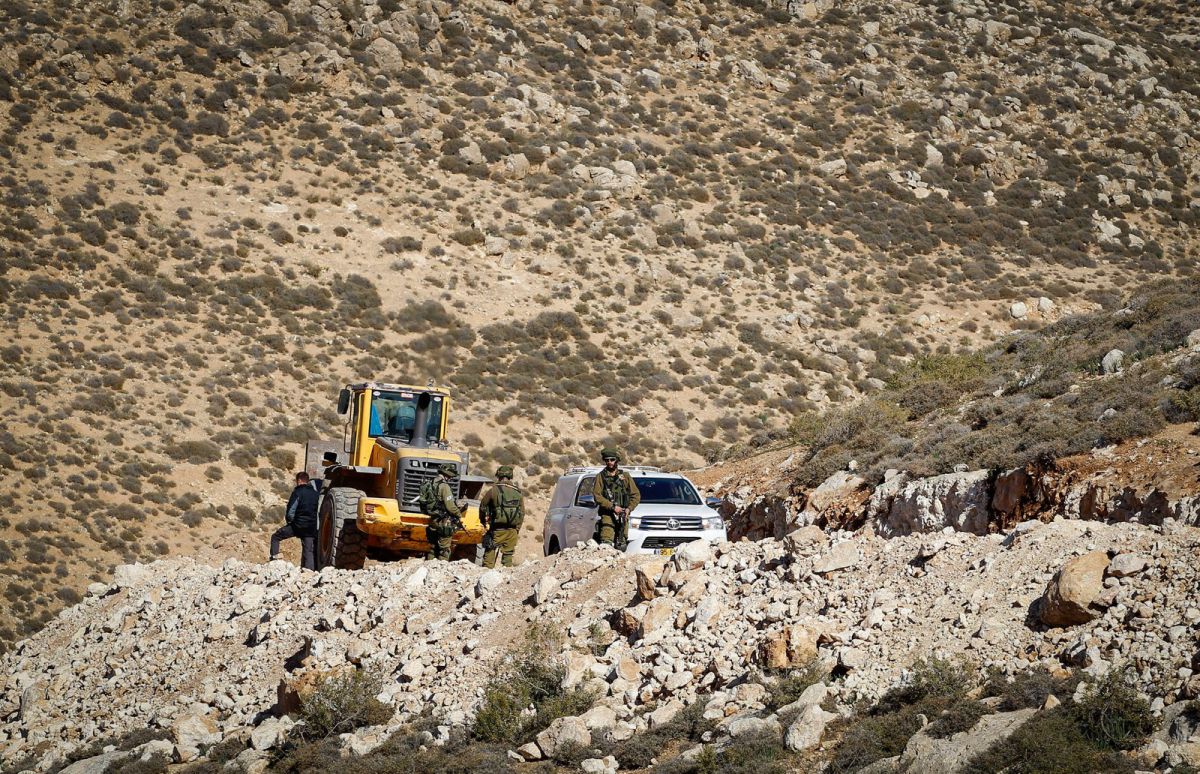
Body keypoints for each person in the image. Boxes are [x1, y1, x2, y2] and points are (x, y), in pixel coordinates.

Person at [591, 447, 641, 550]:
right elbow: (597, 496)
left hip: (623, 514)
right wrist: (613, 507)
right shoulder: (600, 477)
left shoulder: (625, 476)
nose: (609, 462)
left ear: (617, 460)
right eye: (607, 460)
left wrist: (629, 509)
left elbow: (636, 495)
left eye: (612, 460)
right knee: (606, 543)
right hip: (608, 514)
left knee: (621, 545)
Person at [270, 471, 319, 570]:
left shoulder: (297, 492)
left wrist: (290, 522)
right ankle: (309, 573)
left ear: (299, 480)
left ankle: (274, 561)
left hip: (297, 526)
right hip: (311, 527)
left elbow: (291, 511)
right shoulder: (315, 494)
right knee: (308, 551)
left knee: (275, 537)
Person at [480, 465, 524, 568]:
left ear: (498, 475)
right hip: (512, 531)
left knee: (489, 553)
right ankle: (506, 581)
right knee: (508, 558)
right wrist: (517, 529)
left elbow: (482, 507)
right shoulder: (518, 492)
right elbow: (522, 513)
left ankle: (486, 579)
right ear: (510, 476)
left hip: (496, 530)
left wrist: (483, 521)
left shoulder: (493, 490)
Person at [422, 462, 463, 561]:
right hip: (443, 521)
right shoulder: (444, 486)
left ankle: (429, 567)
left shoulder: (430, 483)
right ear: (447, 475)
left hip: (433, 519)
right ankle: (440, 571)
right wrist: (459, 514)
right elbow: (450, 507)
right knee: (444, 549)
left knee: (432, 548)